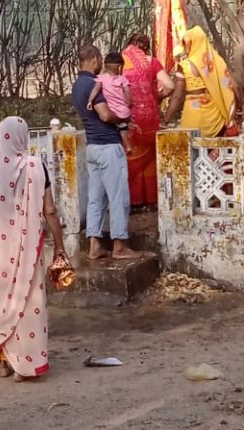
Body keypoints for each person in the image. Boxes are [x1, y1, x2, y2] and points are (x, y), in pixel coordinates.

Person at [0, 116, 67, 381]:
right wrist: (60, 247)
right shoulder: (34, 166)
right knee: (27, 303)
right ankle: (25, 364)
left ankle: (0, 360)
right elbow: (50, 210)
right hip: (24, 251)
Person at [72, 44, 138, 260]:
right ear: (94, 60)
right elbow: (105, 115)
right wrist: (124, 118)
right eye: (99, 60)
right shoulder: (94, 84)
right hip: (108, 146)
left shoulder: (76, 86)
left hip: (92, 146)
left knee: (96, 198)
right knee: (119, 197)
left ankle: (94, 244)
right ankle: (119, 244)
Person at [121, 33, 175, 207]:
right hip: (150, 120)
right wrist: (156, 97)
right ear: (146, 47)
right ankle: (151, 200)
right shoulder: (152, 62)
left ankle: (134, 201)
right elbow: (170, 86)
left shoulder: (120, 62)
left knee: (131, 157)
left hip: (130, 121)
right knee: (150, 158)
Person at [168, 25, 236, 136]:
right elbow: (230, 87)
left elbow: (178, 96)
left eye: (185, 44)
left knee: (191, 149)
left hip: (192, 118)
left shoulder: (183, 66)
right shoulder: (217, 63)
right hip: (215, 118)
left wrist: (166, 119)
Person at [87, 51, 133, 154]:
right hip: (123, 111)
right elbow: (128, 93)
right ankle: (128, 146)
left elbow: (96, 89)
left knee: (119, 125)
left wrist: (90, 100)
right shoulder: (123, 79)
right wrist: (129, 104)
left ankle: (124, 145)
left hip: (111, 111)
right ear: (120, 67)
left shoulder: (101, 78)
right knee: (124, 127)